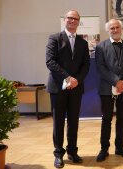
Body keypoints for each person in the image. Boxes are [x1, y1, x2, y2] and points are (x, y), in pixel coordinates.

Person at [46, 10, 90, 168]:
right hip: (58, 87)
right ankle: (58, 153)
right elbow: (50, 61)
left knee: (73, 121)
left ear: (78, 22)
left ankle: (72, 151)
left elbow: (86, 65)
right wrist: (67, 77)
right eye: (69, 18)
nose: (72, 21)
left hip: (76, 87)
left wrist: (77, 80)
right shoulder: (54, 38)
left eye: (75, 19)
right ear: (65, 20)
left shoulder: (83, 42)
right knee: (58, 121)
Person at [95, 19, 123, 162]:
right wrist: (116, 81)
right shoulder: (100, 47)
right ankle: (104, 148)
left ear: (121, 29)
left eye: (117, 27)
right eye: (112, 28)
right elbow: (100, 68)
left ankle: (120, 147)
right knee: (106, 119)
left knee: (122, 118)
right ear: (108, 30)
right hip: (107, 88)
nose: (115, 30)